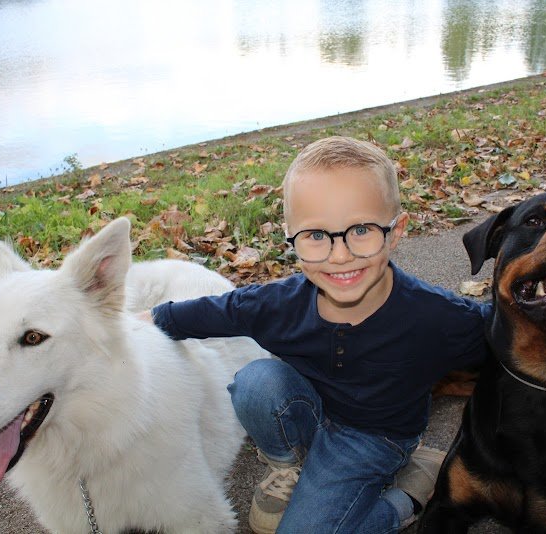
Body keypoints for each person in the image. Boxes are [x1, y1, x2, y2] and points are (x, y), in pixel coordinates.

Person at [144, 136, 490, 533]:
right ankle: (288, 463)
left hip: (375, 440)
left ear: (396, 232)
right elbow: (218, 311)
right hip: (309, 410)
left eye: (360, 229)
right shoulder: (280, 303)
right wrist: (147, 319)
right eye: (315, 235)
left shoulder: (435, 315)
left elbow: (501, 331)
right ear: (291, 237)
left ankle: (405, 496)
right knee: (255, 382)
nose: (339, 255)